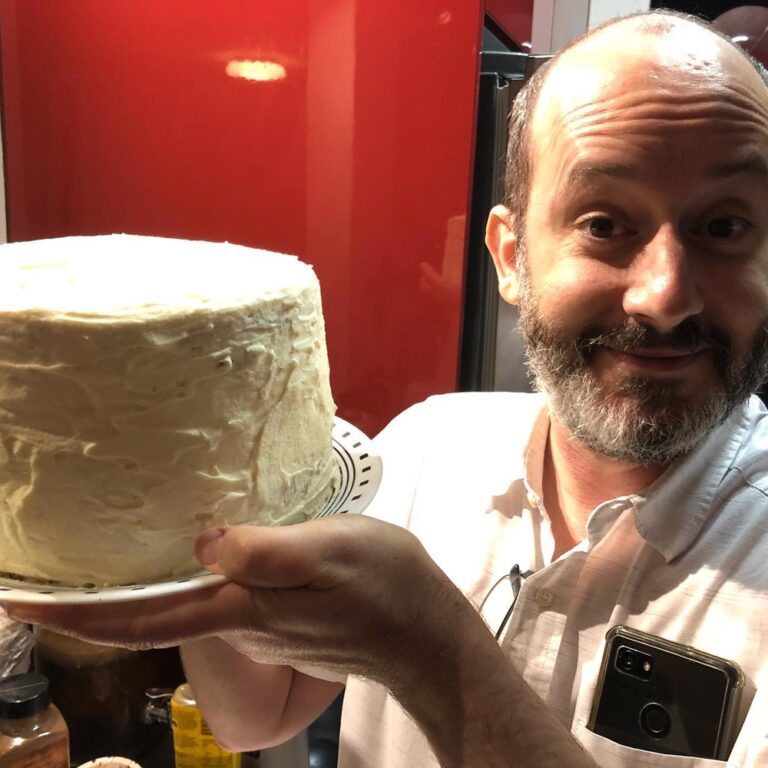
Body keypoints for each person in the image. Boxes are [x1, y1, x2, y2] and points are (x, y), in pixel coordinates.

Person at [5, 8, 768, 767]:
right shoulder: (425, 449)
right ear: (511, 257)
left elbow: (415, 652)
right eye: (605, 224)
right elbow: (251, 716)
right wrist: (188, 498)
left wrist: (429, 650)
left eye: (725, 227)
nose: (666, 296)